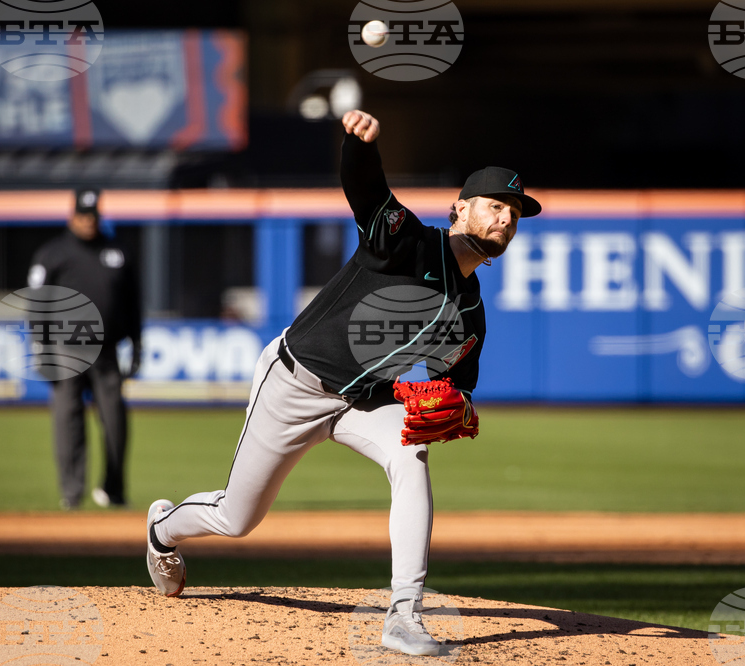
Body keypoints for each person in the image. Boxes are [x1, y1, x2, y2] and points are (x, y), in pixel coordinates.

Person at [145, 110, 541, 656]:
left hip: (364, 401)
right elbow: (366, 189)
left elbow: (454, 386)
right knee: (238, 517)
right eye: (496, 205)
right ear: (461, 207)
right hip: (294, 381)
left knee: (412, 455)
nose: (505, 219)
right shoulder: (408, 243)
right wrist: (359, 145)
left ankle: (404, 613)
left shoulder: (470, 314)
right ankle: (163, 528)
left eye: (515, 213)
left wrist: (456, 405)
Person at [28, 188, 142, 510]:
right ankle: (71, 493)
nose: (88, 221)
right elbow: (37, 305)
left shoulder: (117, 251)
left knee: (115, 421)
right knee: (68, 421)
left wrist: (136, 342)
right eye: (83, 215)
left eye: (93, 215)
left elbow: (134, 303)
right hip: (65, 350)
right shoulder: (53, 253)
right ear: (72, 216)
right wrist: (40, 347)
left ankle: (114, 489)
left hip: (106, 351)